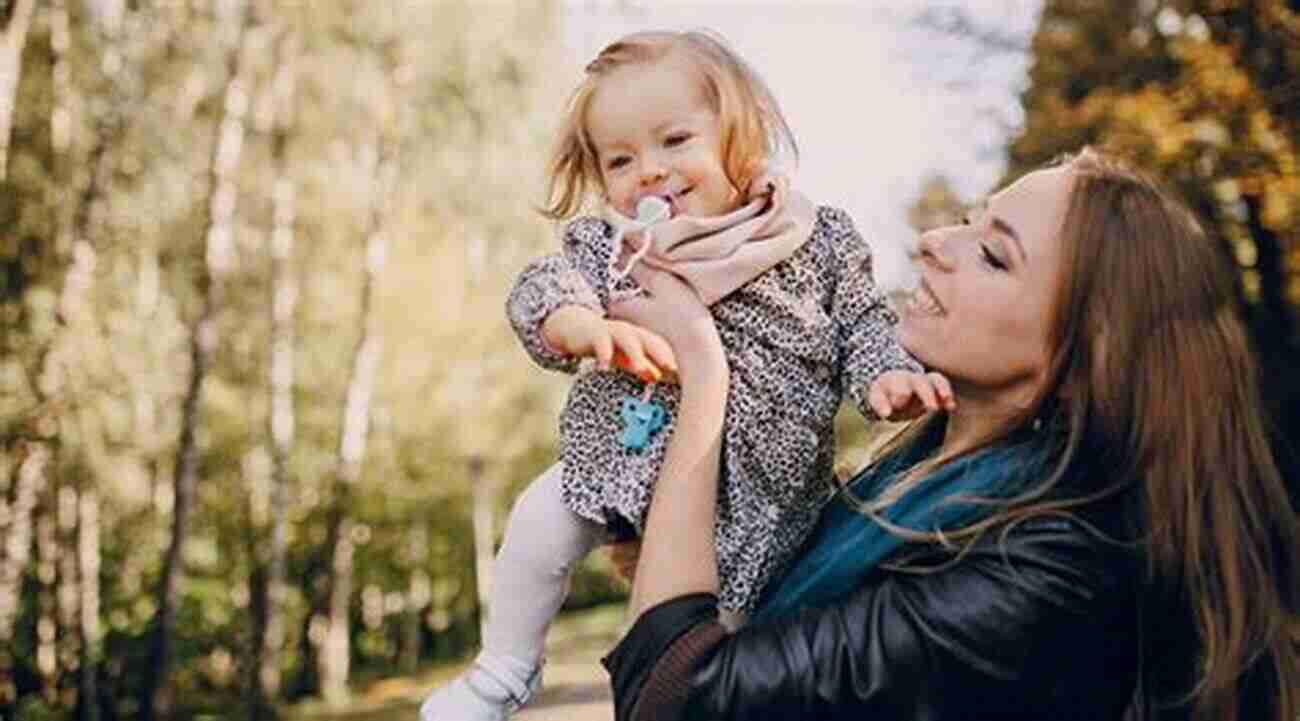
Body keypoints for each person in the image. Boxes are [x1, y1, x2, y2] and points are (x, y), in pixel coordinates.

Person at [602, 148, 1300, 721]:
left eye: (994, 255)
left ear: (1088, 355)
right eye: (969, 220)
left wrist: (702, 364)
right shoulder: (918, 477)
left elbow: (674, 697)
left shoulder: (1045, 568)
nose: (935, 242)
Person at [419, 30, 947, 721]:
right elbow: (542, 286)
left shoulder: (818, 239)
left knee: (718, 635)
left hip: (762, 493)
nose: (649, 170)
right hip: (624, 457)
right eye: (620, 158)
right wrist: (582, 325)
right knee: (536, 521)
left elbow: (864, 322)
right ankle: (506, 667)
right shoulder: (616, 246)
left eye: (674, 141)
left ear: (742, 132)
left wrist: (888, 377)